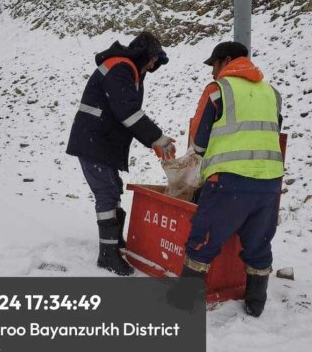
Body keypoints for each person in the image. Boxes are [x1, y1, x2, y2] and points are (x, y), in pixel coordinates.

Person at [183, 41, 284, 317]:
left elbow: (200, 144)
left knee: (202, 242)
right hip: (270, 184)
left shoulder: (218, 91)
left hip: (228, 182)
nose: (213, 73)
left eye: (214, 66)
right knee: (259, 244)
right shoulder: (271, 93)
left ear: (226, 60)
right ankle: (255, 305)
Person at [66, 32, 176, 276]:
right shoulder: (121, 68)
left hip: (100, 141)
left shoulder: (129, 70)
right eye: (152, 60)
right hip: (93, 141)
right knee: (107, 192)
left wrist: (154, 140)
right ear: (144, 55)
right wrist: (158, 139)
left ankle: (114, 242)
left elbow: (127, 112)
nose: (152, 66)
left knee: (112, 188)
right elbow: (128, 112)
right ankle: (107, 255)